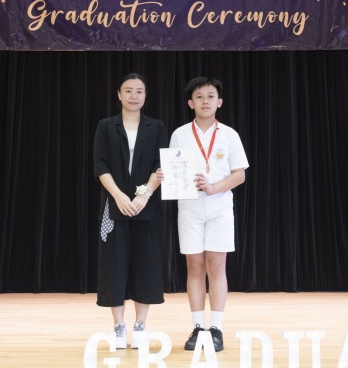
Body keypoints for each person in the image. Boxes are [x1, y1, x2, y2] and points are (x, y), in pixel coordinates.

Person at [158, 77, 248, 352]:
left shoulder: (229, 134)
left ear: (219, 102)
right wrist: (166, 176)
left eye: (210, 96)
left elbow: (240, 175)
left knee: (217, 266)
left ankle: (216, 328)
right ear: (190, 103)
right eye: (199, 97)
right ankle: (198, 327)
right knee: (195, 267)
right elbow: (174, 171)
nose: (205, 101)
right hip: (190, 207)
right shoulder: (180, 134)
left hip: (220, 207)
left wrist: (213, 188)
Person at [93, 73, 167, 349]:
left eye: (139, 91)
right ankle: (118, 326)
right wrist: (120, 196)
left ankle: (140, 325)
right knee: (114, 266)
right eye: (128, 90)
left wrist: (144, 195)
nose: (134, 95)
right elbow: (100, 165)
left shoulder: (156, 126)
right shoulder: (105, 126)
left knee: (145, 264)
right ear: (119, 94)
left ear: (145, 96)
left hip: (146, 207)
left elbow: (160, 165)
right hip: (114, 206)